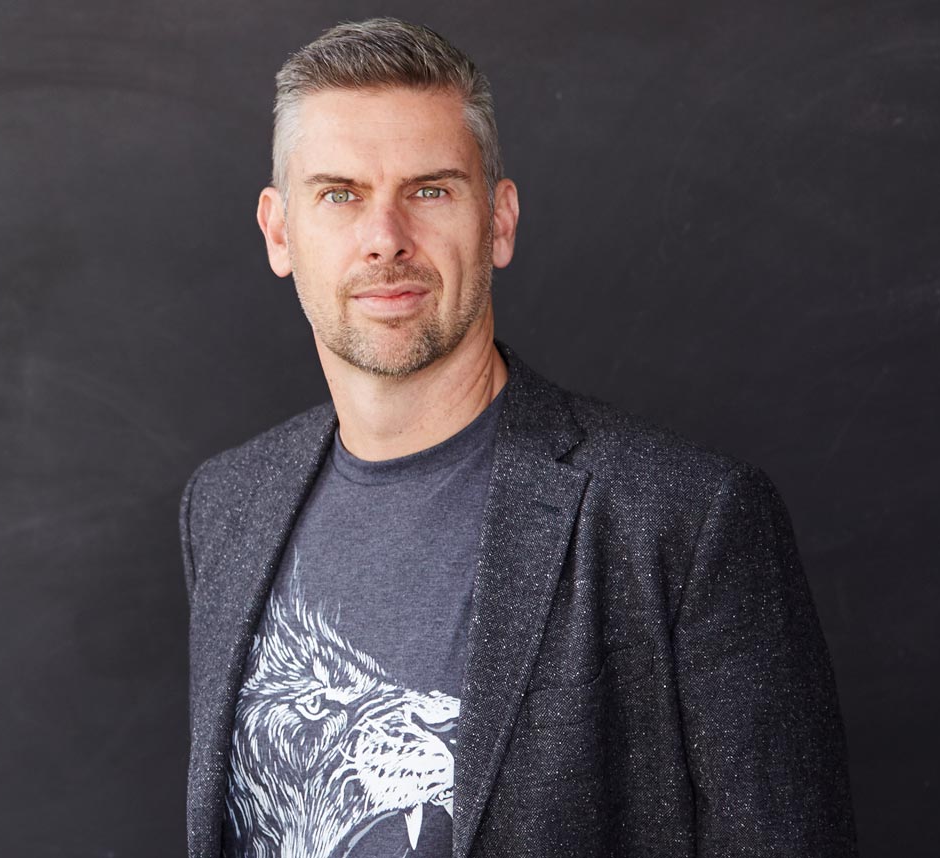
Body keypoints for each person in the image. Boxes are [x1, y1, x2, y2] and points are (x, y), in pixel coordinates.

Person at [178, 18, 855, 858]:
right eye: (340, 194)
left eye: (430, 190)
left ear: (498, 221)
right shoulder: (226, 506)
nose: (385, 237)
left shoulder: (686, 521)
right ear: (280, 232)